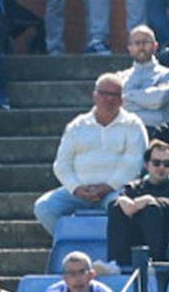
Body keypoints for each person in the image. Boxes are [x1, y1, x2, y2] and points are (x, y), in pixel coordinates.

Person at [34, 75, 148, 235]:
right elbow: (62, 164)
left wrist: (108, 187)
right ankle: (72, 243)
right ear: (94, 95)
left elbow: (134, 163)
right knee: (44, 207)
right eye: (103, 93)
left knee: (122, 208)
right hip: (78, 192)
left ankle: (111, 251)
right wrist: (76, 188)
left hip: (115, 192)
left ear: (122, 99)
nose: (109, 99)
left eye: (114, 95)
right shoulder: (77, 125)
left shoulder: (133, 124)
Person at [105, 139, 169, 271]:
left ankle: (152, 262)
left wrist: (152, 200)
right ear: (147, 164)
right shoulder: (134, 187)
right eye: (156, 163)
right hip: (133, 243)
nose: (161, 168)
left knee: (152, 208)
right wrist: (122, 201)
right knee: (116, 207)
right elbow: (125, 203)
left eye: (167, 164)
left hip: (163, 246)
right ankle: (115, 264)